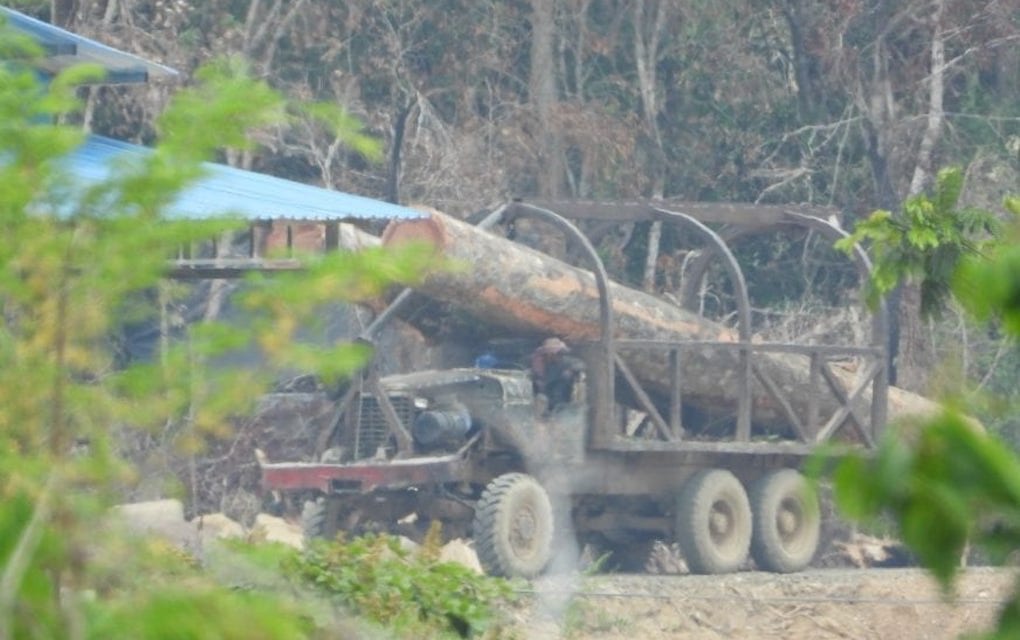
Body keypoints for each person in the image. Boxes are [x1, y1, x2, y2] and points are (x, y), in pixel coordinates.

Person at [530, 337, 583, 412]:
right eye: (548, 353)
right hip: (544, 392)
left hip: (562, 392)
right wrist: (537, 379)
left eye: (554, 353)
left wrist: (570, 370)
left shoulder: (566, 361)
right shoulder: (539, 362)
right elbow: (533, 371)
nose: (551, 355)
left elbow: (580, 364)